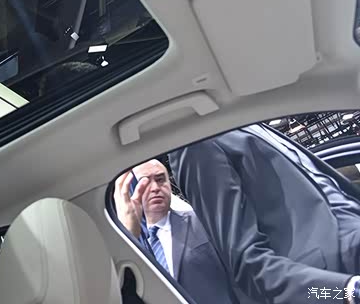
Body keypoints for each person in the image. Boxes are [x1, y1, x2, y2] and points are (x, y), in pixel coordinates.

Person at [169, 124, 360, 304]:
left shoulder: (247, 121)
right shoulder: (194, 142)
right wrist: (343, 291)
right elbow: (249, 263)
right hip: (336, 271)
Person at [114, 159, 240, 304]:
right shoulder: (134, 244)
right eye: (145, 182)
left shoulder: (202, 221)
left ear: (169, 184)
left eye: (160, 180)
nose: (154, 188)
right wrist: (129, 235)